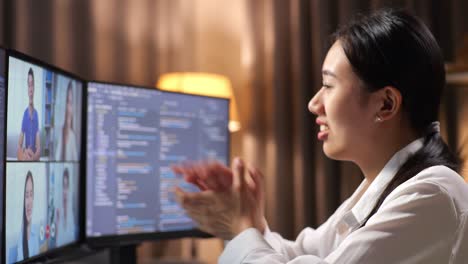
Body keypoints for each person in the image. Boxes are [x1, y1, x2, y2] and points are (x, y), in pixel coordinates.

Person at [172, 9, 468, 263]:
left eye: (328, 85)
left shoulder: (431, 196)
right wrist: (245, 220)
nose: (314, 103)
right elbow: (304, 252)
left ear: (386, 104)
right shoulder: (383, 187)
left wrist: (242, 228)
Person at [17, 68, 41, 161]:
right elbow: (19, 145)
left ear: (34, 87)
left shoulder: (37, 115)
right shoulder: (25, 114)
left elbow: (38, 148)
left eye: (32, 85)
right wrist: (23, 157)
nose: (30, 89)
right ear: (27, 88)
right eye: (29, 85)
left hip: (33, 157)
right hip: (26, 155)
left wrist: (33, 158)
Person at [16, 171, 40, 261]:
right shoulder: (20, 235)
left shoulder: (35, 233)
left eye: (31, 194)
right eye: (26, 196)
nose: (29, 202)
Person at [55, 81, 78, 161]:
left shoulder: (72, 136)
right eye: (67, 102)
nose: (68, 108)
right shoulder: (60, 133)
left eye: (71, 103)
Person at [55, 168, 76, 246]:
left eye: (67, 186)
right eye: (63, 186)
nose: (65, 191)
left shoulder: (71, 210)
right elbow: (57, 242)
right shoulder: (58, 209)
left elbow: (72, 236)